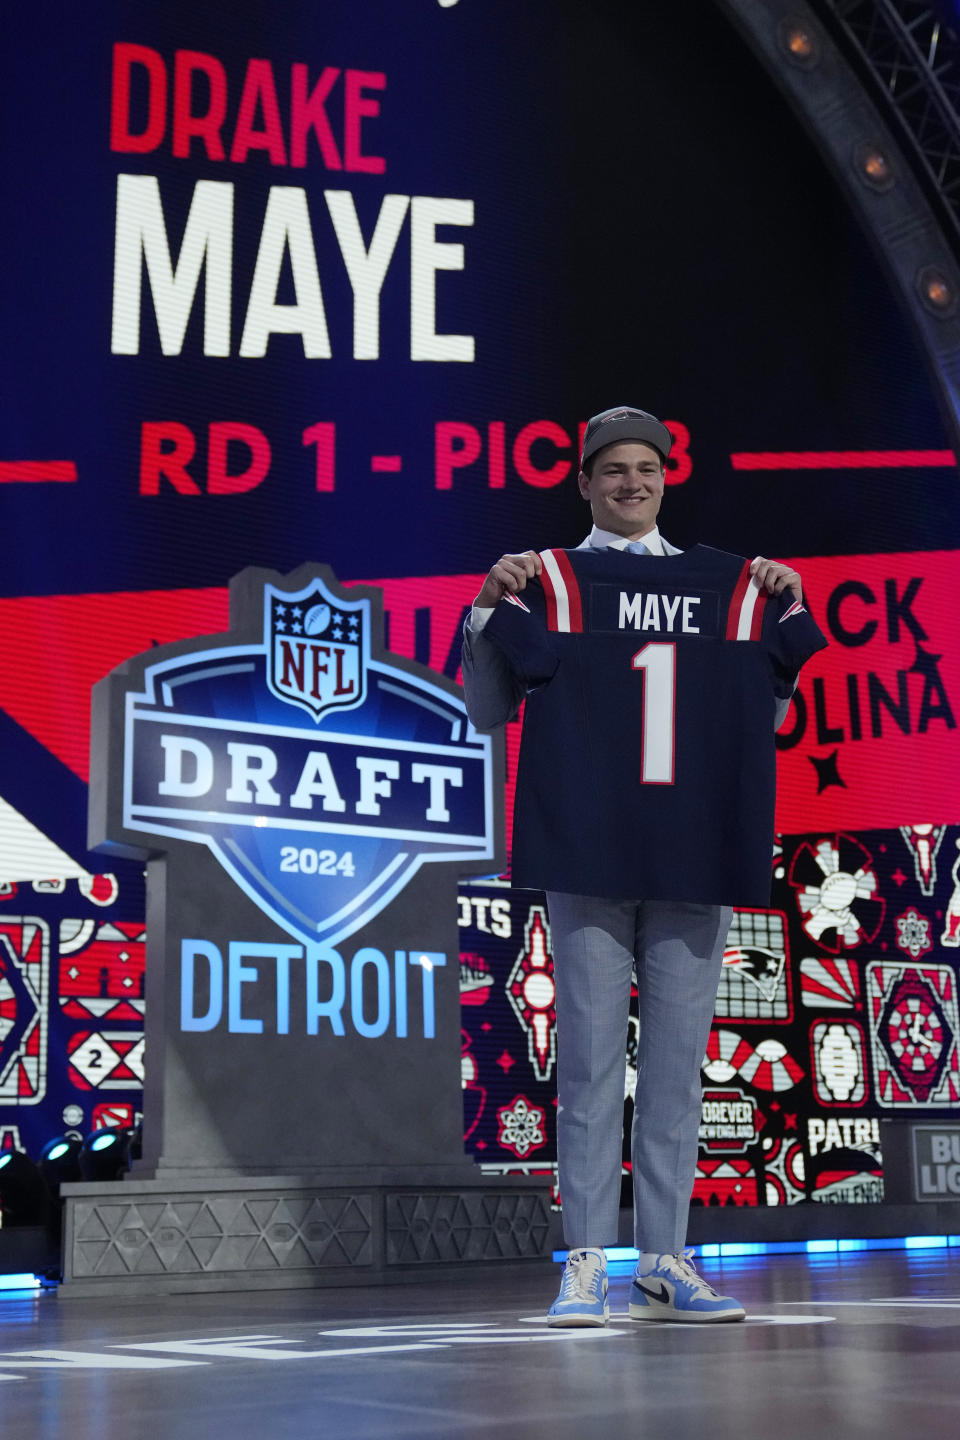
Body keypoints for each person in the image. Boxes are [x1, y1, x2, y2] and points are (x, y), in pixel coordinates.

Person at [461, 405, 820, 1326]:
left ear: (667, 478)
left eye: (646, 469)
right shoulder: (548, 584)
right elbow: (487, 711)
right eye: (612, 470)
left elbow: (773, 721)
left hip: (694, 848)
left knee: (675, 1069)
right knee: (585, 1064)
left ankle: (664, 1258)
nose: (632, 483)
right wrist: (486, 614)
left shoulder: (739, 590)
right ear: (582, 482)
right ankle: (585, 1259)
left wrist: (791, 612)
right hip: (588, 844)